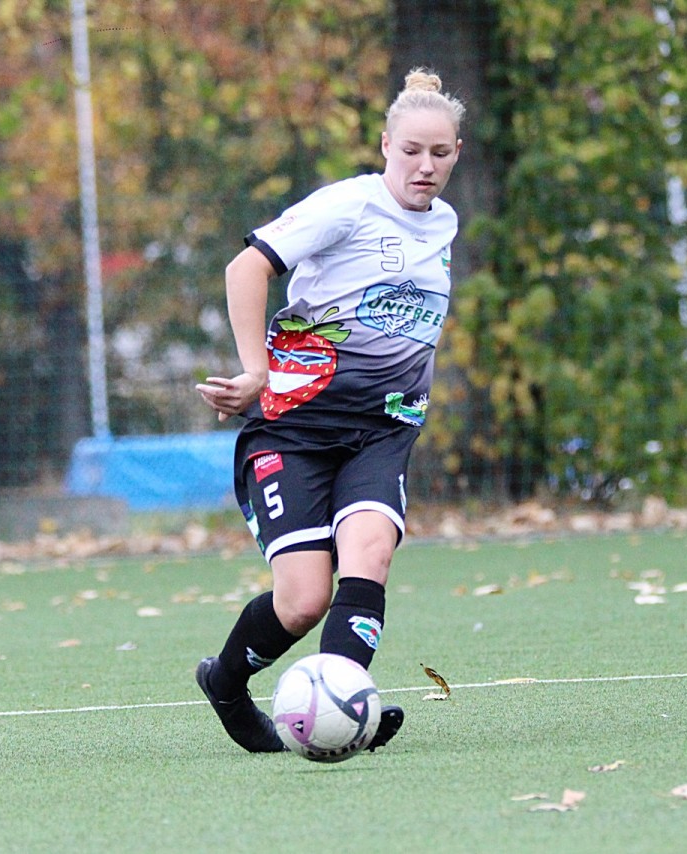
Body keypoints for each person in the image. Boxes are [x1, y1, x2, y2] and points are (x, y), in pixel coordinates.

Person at [194, 68, 464, 753]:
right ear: (385, 146)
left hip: (382, 432)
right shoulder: (348, 205)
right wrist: (256, 371)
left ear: (457, 152)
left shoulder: (445, 223)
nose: (425, 166)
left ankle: (345, 708)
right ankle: (226, 682)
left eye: (440, 153)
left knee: (369, 556)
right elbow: (245, 268)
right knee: (304, 600)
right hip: (293, 429)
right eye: (411, 151)